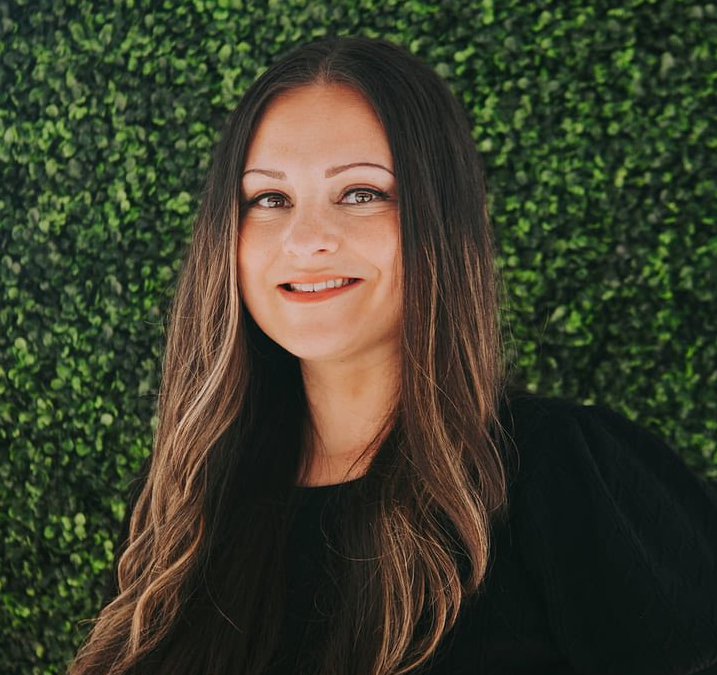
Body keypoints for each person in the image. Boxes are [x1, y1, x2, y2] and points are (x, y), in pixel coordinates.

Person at [68, 36, 717, 675]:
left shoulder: (564, 473)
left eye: (359, 193)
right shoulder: (182, 510)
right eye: (269, 199)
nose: (305, 239)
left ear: (438, 217)